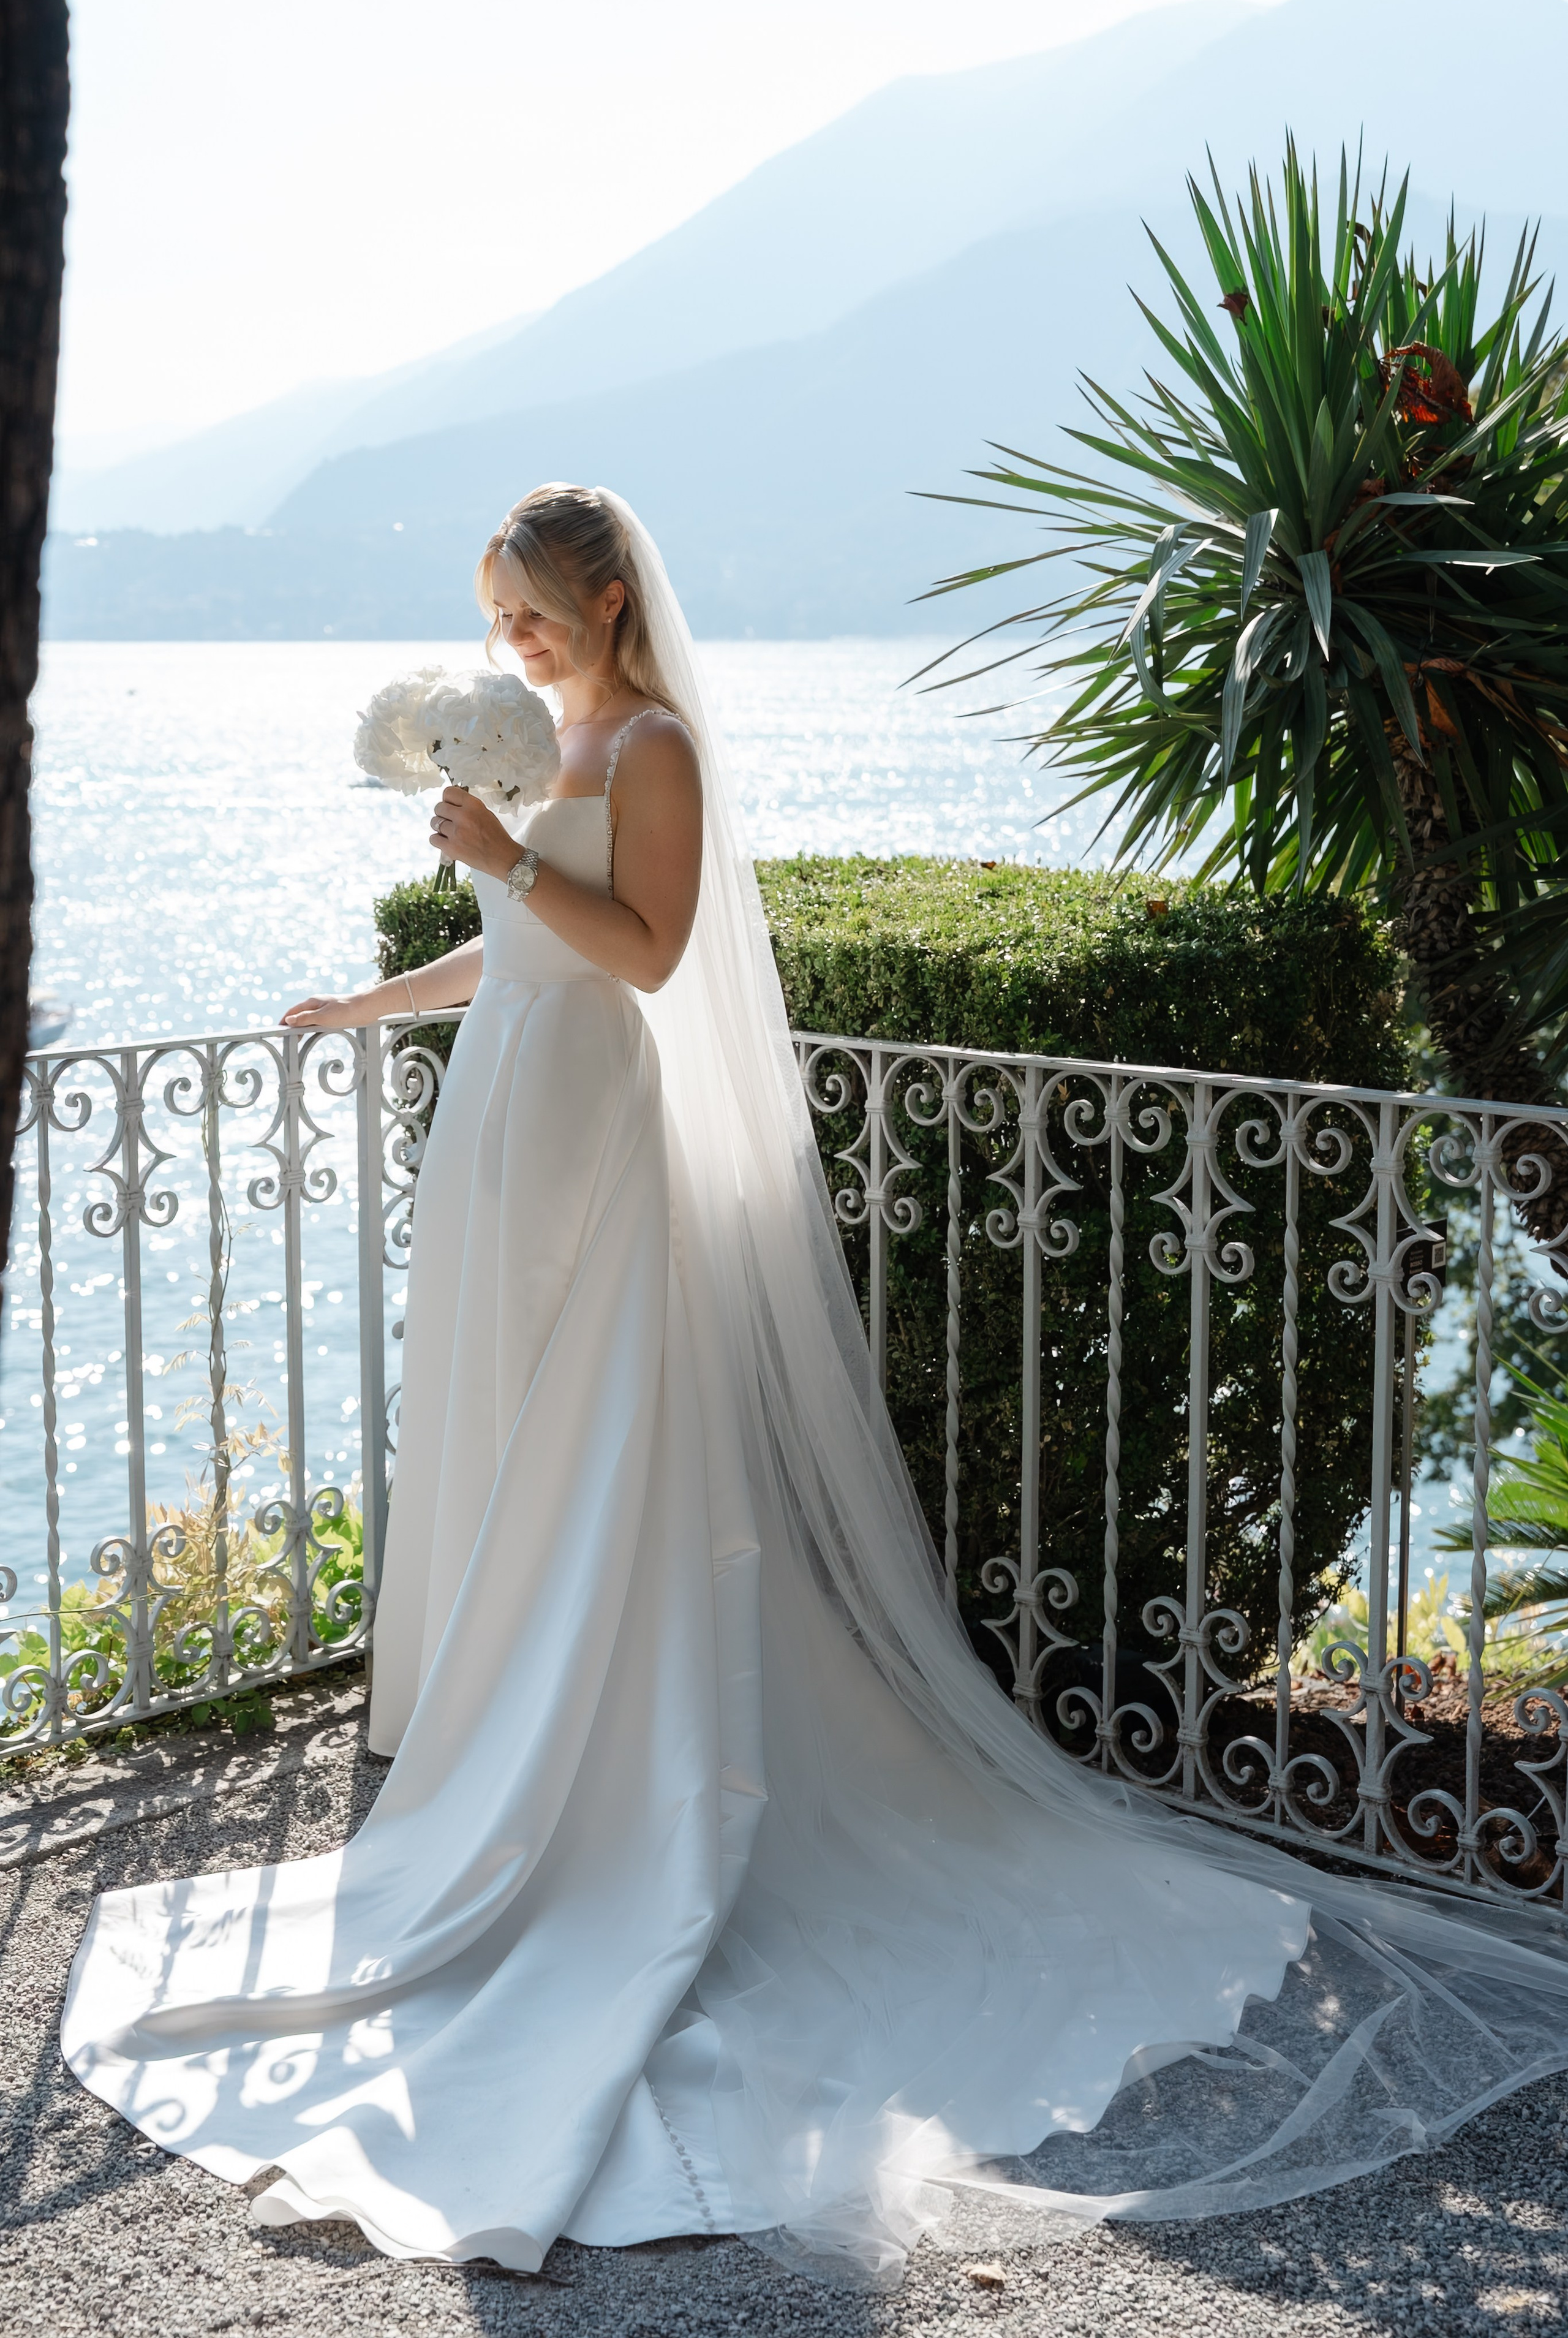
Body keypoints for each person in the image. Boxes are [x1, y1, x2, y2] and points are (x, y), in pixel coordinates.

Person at [62, 486, 1568, 2288]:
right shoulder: (539, 738)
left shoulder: (655, 745)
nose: (509, 643)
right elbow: (524, 947)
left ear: (608, 600)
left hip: (594, 1127)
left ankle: (619, 1789)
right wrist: (377, 1004)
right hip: (503, 1122)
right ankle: (515, 1756)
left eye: (531, 612)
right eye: (494, 616)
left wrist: (503, 851)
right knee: (511, 1446)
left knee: (600, 1449)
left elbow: (646, 952)